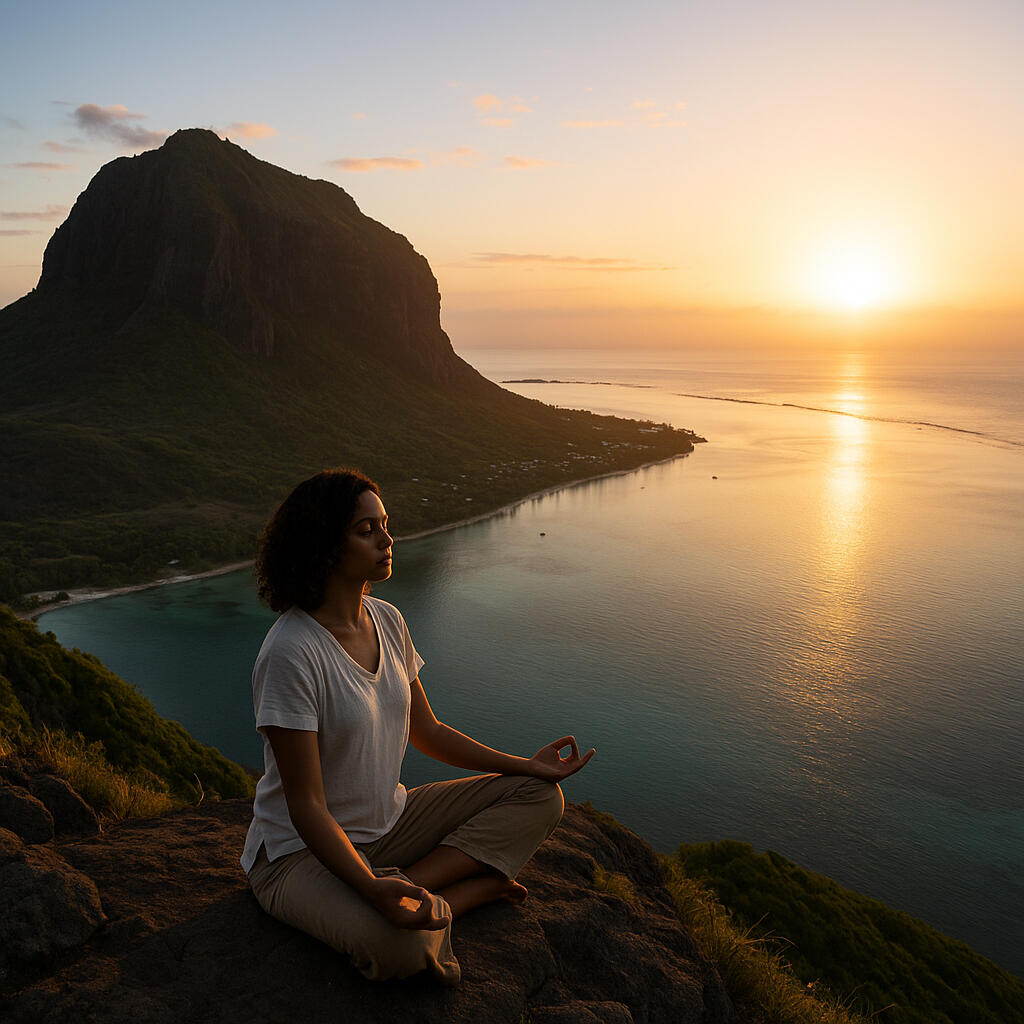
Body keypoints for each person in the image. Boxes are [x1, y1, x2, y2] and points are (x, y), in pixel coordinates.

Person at [240, 467, 595, 984]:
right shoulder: (291, 652)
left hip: (390, 825)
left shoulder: (387, 618)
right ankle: (467, 893)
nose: (387, 540)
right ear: (323, 546)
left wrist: (527, 766)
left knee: (539, 796)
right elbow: (307, 806)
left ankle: (410, 890)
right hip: (298, 856)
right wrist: (365, 886)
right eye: (366, 531)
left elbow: (426, 731)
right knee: (398, 950)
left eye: (384, 525)